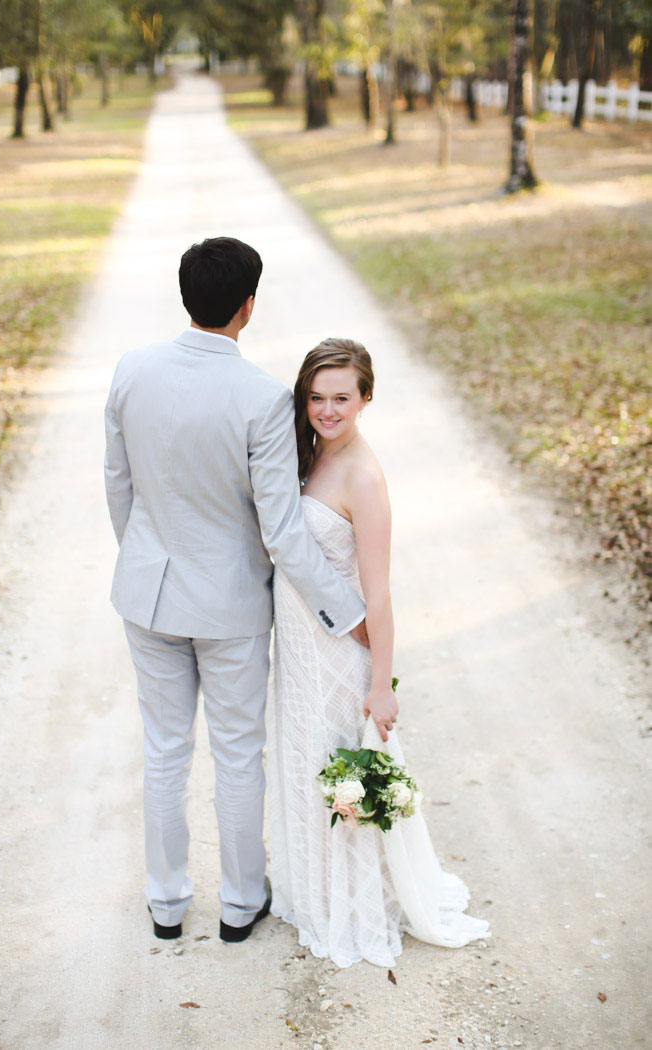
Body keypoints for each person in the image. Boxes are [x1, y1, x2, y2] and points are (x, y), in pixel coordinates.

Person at [104, 238, 371, 942]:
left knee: (163, 750)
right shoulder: (260, 399)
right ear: (248, 306)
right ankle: (238, 902)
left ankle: (165, 905)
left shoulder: (131, 371)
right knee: (235, 752)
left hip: (148, 597)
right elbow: (283, 533)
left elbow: (118, 485)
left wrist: (144, 559)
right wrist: (348, 612)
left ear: (187, 296)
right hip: (230, 609)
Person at [267, 337, 490, 967]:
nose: (327, 410)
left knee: (341, 780)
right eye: (316, 397)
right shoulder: (308, 453)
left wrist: (382, 685)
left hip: (339, 662)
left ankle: (360, 907)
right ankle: (315, 896)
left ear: (366, 397)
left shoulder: (362, 475)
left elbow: (378, 592)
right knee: (303, 769)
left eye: (341, 397)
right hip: (300, 656)